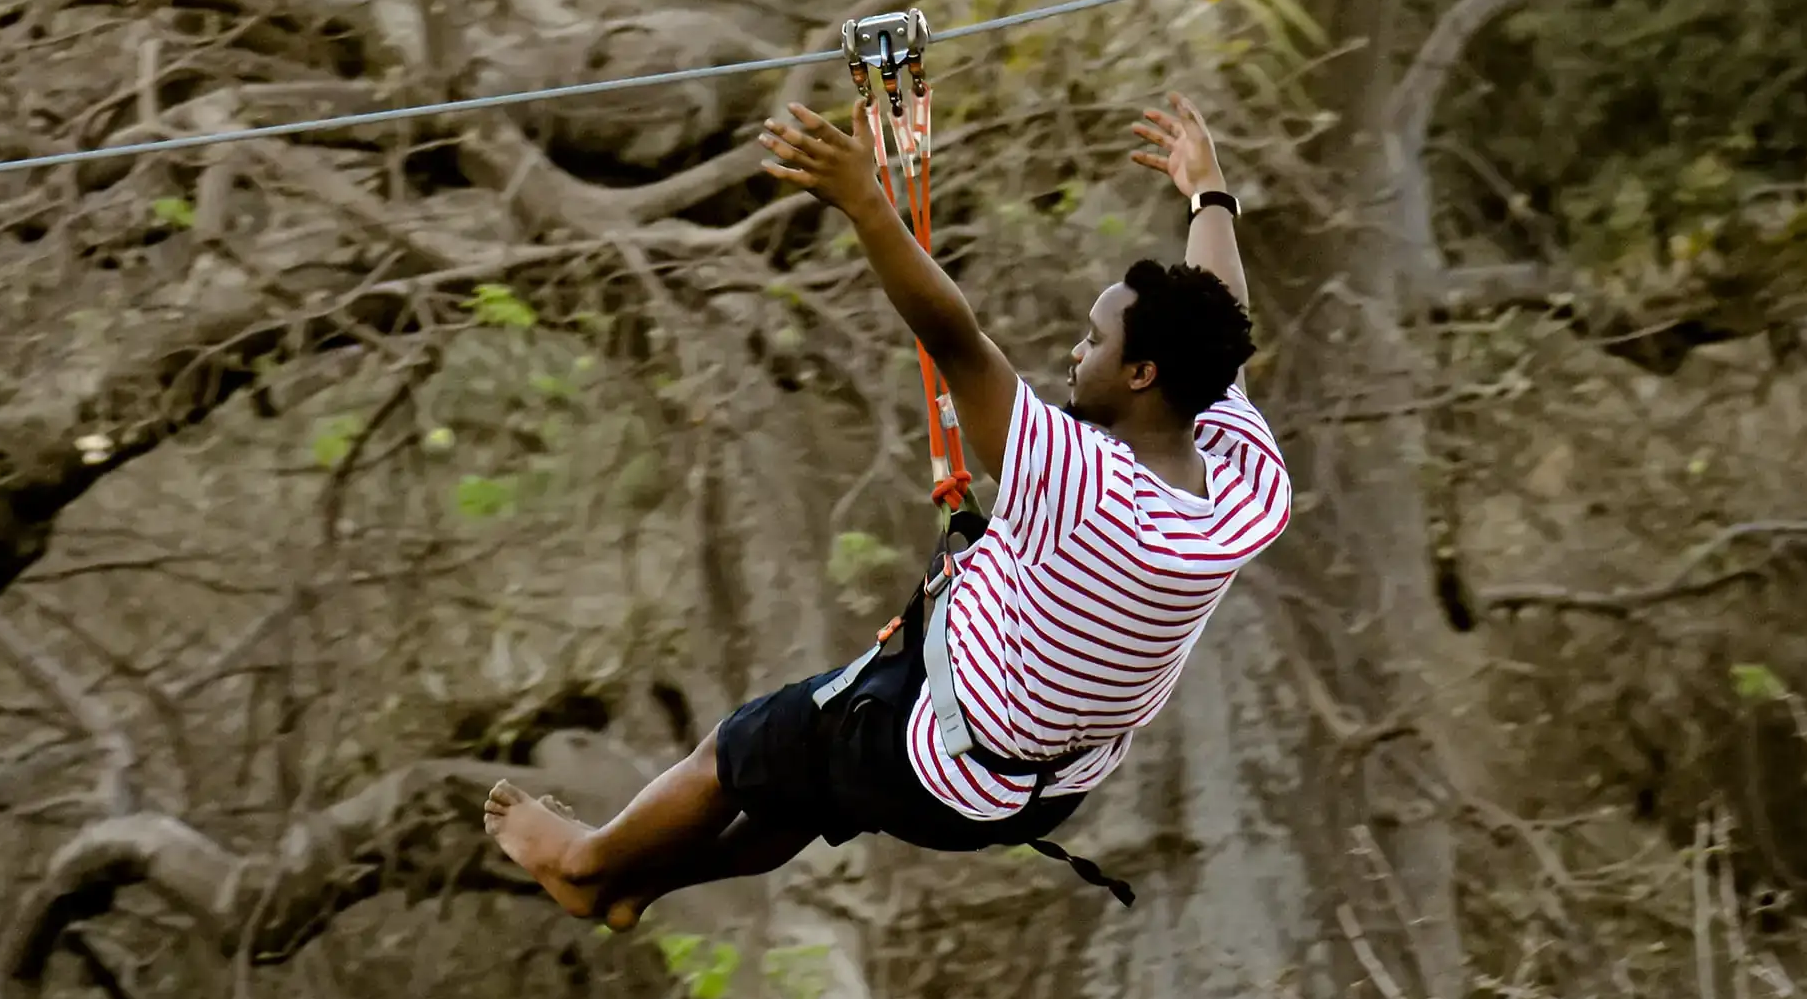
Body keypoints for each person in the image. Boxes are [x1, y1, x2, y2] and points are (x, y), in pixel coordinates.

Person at [484, 92, 1289, 927]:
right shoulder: (1244, 486)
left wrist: (864, 202)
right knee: (810, 779)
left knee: (741, 746)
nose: (1074, 352)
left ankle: (586, 863)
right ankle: (635, 890)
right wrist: (1210, 197)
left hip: (939, 754)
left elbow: (955, 339)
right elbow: (1220, 331)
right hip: (1043, 787)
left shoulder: (1084, 483)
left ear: (1144, 375)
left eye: (1095, 341)